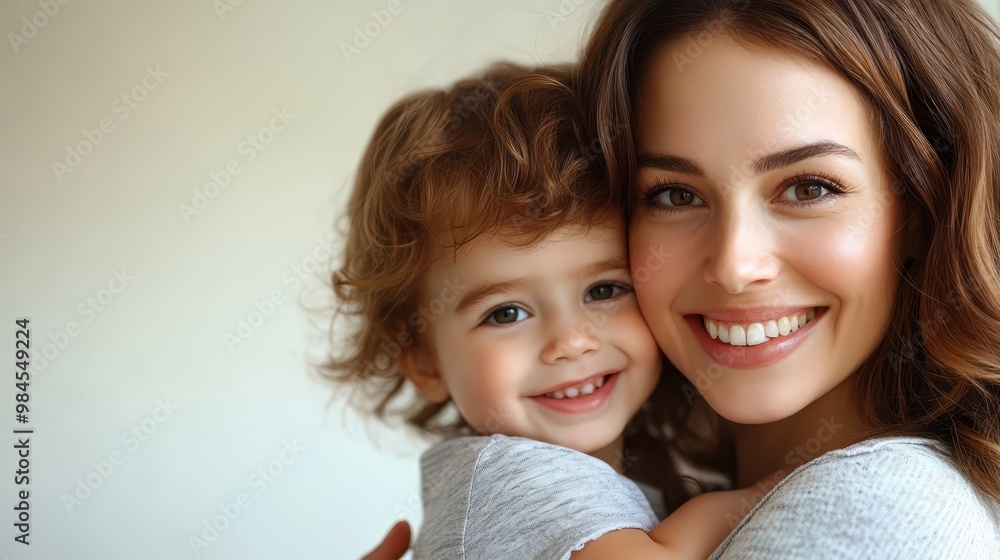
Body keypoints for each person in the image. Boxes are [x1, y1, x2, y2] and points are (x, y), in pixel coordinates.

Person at [362, 0, 1000, 558]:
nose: (733, 264)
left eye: (809, 187)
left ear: (923, 209)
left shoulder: (887, 508)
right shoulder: (572, 479)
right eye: (672, 194)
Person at [331, 64, 767, 559]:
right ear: (422, 361)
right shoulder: (509, 477)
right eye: (506, 314)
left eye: (604, 290)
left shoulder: (632, 464)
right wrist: (757, 499)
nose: (571, 340)